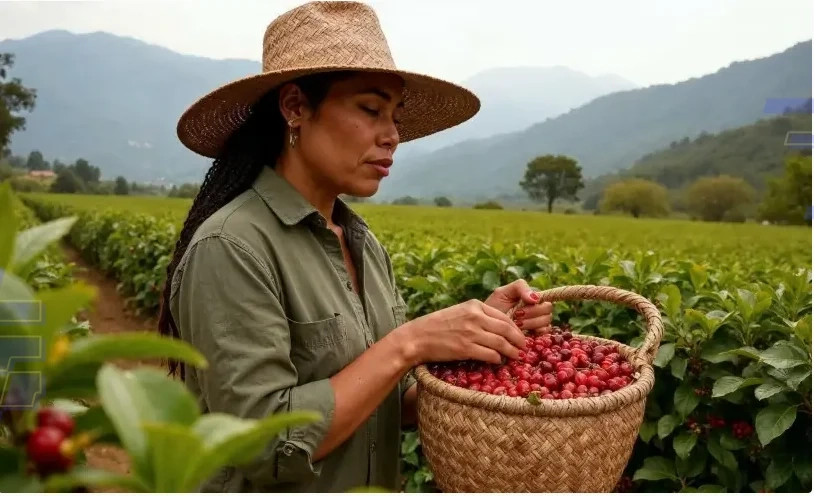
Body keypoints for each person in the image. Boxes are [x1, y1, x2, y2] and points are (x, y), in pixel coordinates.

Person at [158, 1, 553, 492]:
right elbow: (261, 445)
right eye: (370, 110)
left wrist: (477, 342)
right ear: (295, 107)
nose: (392, 136)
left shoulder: (362, 244)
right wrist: (409, 344)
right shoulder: (232, 247)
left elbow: (393, 400)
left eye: (395, 115)